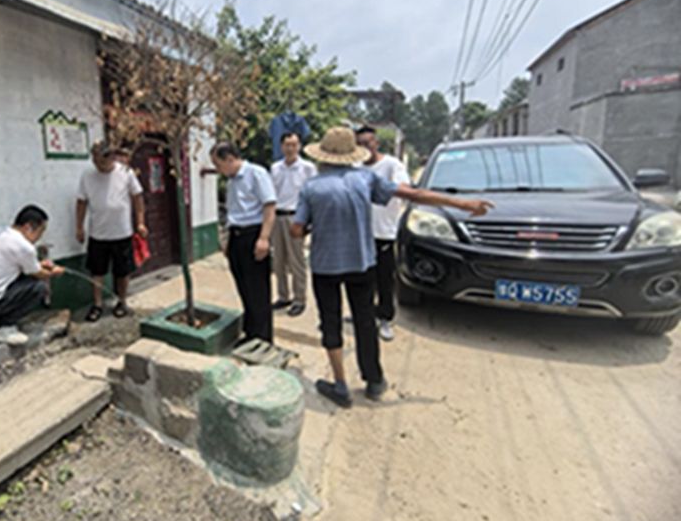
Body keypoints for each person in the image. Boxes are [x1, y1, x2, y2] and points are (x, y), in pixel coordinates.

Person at [292, 127, 492, 407]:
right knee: (365, 320)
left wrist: (310, 226)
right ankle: (373, 381)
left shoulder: (312, 187)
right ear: (352, 155)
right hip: (362, 262)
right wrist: (461, 203)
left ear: (322, 156)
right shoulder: (365, 178)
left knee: (331, 321)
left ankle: (340, 386)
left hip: (326, 266)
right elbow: (413, 194)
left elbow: (297, 229)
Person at [0, 205, 66, 346]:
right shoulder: (23, 247)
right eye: (41, 231)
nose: (40, 237)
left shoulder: (1, 233)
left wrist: (40, 265)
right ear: (28, 227)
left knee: (22, 278)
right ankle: (2, 328)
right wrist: (54, 272)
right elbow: (38, 274)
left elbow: (24, 265)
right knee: (38, 287)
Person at [211, 142, 277, 344]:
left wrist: (264, 238)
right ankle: (251, 333)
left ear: (230, 158)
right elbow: (232, 212)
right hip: (236, 236)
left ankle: (263, 339)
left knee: (258, 290)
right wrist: (226, 239)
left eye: (218, 164)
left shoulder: (256, 173)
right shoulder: (232, 181)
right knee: (244, 287)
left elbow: (270, 205)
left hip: (254, 235)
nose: (217, 170)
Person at [76, 141, 147, 321]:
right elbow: (81, 202)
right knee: (97, 271)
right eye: (95, 160)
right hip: (97, 233)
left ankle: (122, 301)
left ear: (112, 158)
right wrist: (79, 227)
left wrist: (140, 223)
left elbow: (138, 198)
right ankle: (97, 304)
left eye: (101, 161)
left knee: (122, 271)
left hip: (122, 232)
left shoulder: (125, 173)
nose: (97, 164)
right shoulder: (87, 175)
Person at [354, 125, 410, 342]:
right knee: (363, 279)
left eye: (368, 143)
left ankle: (385, 318)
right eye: (360, 144)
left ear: (376, 143)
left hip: (384, 232)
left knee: (384, 279)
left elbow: (402, 187)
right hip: (361, 234)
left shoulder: (392, 165)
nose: (365, 148)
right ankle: (367, 314)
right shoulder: (356, 168)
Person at [270, 132, 317, 317]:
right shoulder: (275, 168)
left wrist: (308, 222)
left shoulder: (308, 168)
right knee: (279, 261)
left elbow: (312, 196)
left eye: (294, 144)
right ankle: (283, 296)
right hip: (277, 217)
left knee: (296, 261)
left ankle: (300, 299)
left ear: (299, 146)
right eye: (287, 144)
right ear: (281, 146)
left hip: (296, 218)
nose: (291, 148)